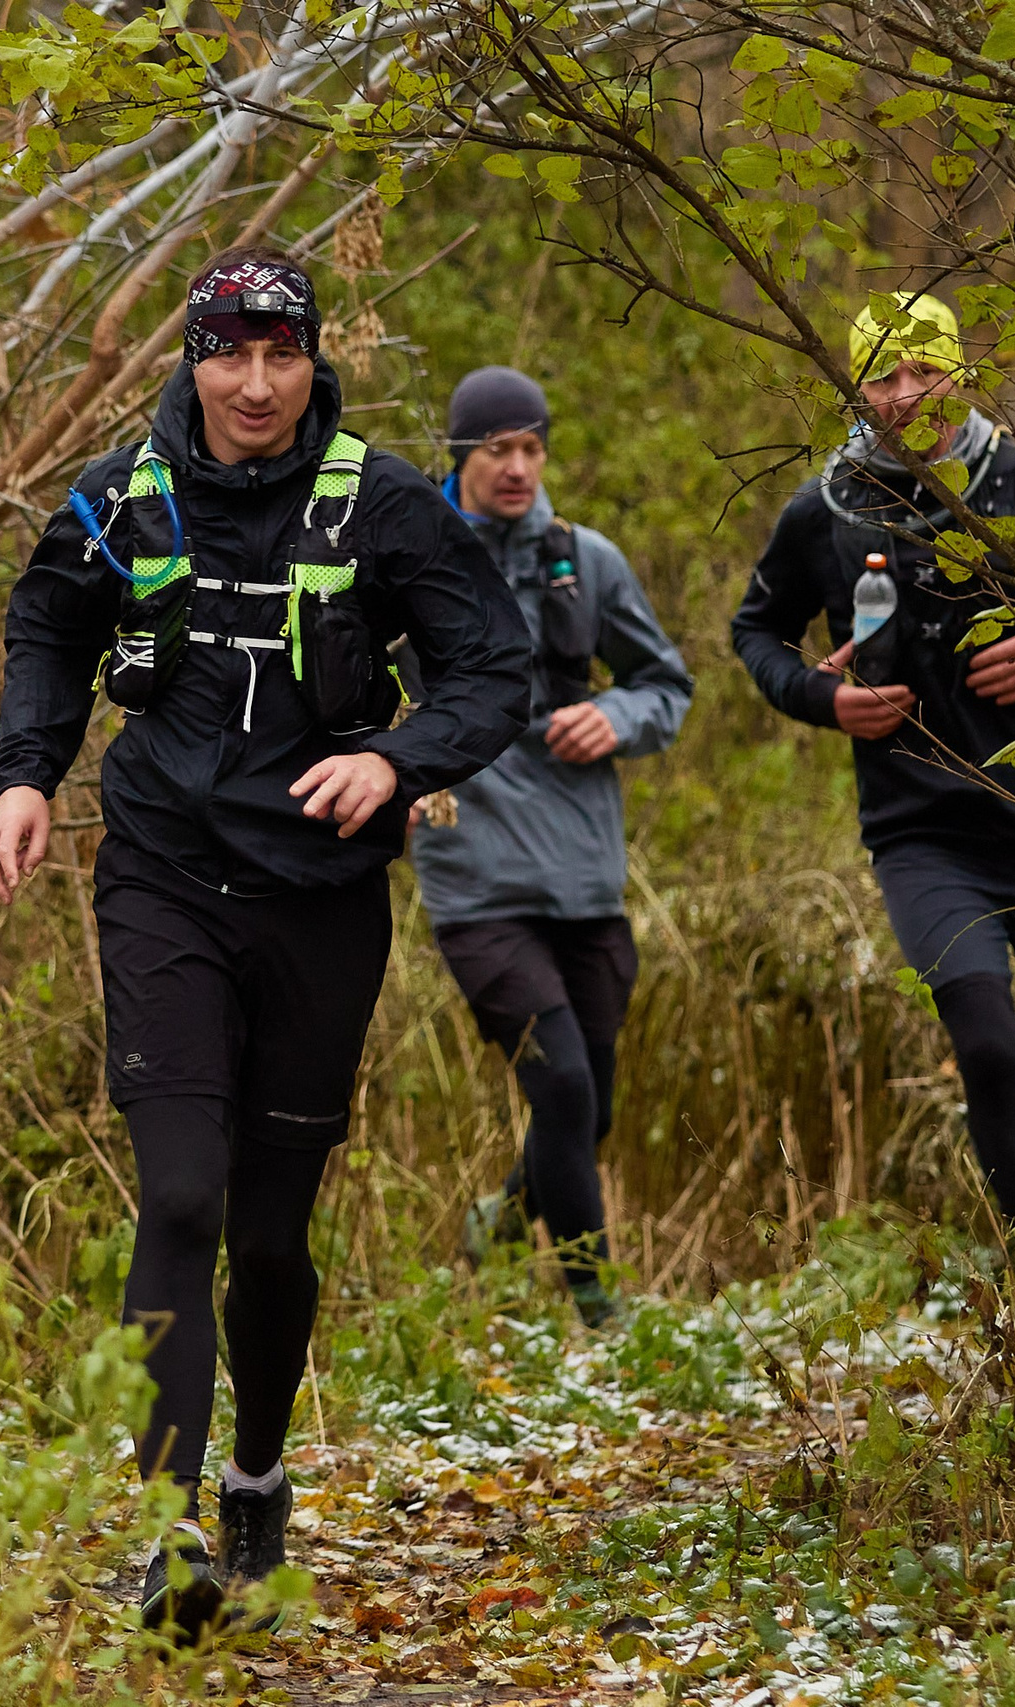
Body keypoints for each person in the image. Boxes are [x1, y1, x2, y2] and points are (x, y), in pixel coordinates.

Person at [0, 248, 529, 1637]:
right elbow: (46, 624)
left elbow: (494, 666)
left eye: (285, 356)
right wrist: (26, 773)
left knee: (273, 1233)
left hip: (319, 895)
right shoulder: (121, 494)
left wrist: (397, 759)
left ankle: (258, 1473)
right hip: (162, 874)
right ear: (195, 356)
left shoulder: (385, 502)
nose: (260, 385)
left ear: (313, 356)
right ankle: (167, 1536)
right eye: (234, 355)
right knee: (179, 1197)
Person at [731, 294, 1015, 1298]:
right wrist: (820, 696)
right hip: (921, 832)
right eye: (883, 379)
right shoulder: (829, 509)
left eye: (924, 373)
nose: (905, 398)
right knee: (985, 1047)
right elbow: (755, 633)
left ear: (960, 373)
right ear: (856, 388)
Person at [408, 366, 694, 1329]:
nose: (519, 467)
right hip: (475, 878)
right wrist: (386, 767)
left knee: (588, 1106)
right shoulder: (414, 557)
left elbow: (667, 684)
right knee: (562, 1082)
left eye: (533, 448)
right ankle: (602, 1318)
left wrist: (616, 715)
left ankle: (505, 1210)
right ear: (461, 456)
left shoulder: (589, 561)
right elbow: (345, 685)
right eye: (499, 451)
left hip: (584, 873)